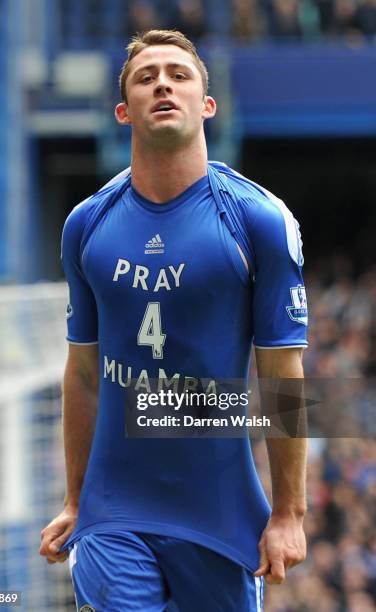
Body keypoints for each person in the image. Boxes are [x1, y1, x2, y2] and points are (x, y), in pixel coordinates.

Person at [39, 30, 308, 611]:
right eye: (146, 77)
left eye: (179, 75)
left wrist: (289, 512)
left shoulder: (258, 221)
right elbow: (83, 374)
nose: (163, 83)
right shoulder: (86, 226)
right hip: (114, 515)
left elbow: (283, 378)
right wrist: (74, 499)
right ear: (124, 111)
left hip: (221, 518)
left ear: (207, 105)